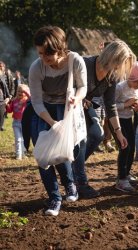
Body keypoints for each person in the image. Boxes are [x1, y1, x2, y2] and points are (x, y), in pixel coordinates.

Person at [29, 26, 87, 216]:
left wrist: (76, 99)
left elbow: (83, 87)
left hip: (67, 107)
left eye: (47, 53)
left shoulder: (75, 61)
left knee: (64, 151)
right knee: (43, 155)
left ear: (59, 48)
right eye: (40, 53)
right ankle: (54, 197)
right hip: (44, 111)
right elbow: (36, 101)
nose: (43, 58)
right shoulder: (37, 67)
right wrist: (53, 123)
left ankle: (69, 183)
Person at [72, 39, 136, 198]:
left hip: (85, 107)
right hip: (69, 105)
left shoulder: (111, 77)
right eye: (122, 64)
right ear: (114, 58)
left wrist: (118, 132)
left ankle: (73, 168)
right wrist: (79, 98)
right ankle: (80, 182)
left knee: (97, 134)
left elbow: (110, 105)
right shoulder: (84, 64)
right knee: (81, 139)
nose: (121, 70)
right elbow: (67, 86)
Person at [114, 62, 138, 192]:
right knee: (125, 147)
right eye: (137, 83)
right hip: (117, 121)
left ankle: (127, 173)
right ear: (130, 78)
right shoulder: (120, 88)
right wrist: (125, 104)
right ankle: (121, 179)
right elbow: (110, 107)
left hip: (129, 119)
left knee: (132, 147)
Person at [6, 84, 30, 159]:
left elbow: (32, 98)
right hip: (16, 123)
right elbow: (10, 110)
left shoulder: (27, 101)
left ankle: (23, 153)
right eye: (18, 91)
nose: (20, 92)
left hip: (24, 123)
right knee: (18, 139)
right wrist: (7, 105)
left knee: (23, 139)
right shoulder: (14, 100)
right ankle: (18, 155)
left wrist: (26, 93)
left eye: (22, 91)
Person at [0, 63, 10, 131]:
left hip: (1, 100)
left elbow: (5, 86)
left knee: (1, 117)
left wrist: (8, 96)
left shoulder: (3, 76)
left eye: (1, 67)